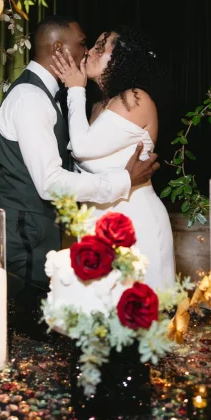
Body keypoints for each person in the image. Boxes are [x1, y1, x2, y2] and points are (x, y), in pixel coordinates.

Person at [0, 16, 160, 298]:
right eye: (83, 44)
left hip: (112, 224)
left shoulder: (59, 97)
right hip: (26, 230)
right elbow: (50, 183)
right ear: (59, 48)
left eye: (96, 47)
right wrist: (123, 180)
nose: (87, 52)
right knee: (31, 321)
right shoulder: (32, 98)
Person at [51, 27, 175, 290]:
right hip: (98, 225)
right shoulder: (98, 107)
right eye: (93, 45)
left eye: (102, 46)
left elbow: (82, 148)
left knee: (139, 316)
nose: (91, 52)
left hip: (136, 222)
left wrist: (75, 89)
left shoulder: (136, 99)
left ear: (123, 58)